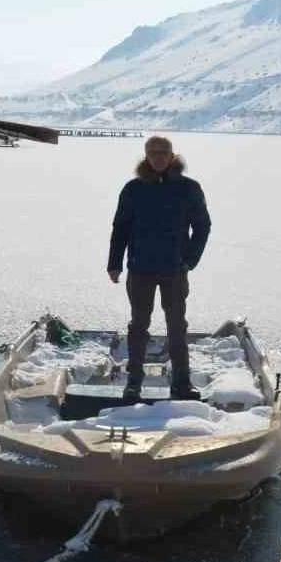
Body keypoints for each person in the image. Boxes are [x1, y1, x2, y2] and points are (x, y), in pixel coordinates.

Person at [107, 136, 211, 401]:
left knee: (177, 326)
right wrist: (114, 263)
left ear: (172, 155)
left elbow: (202, 226)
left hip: (174, 270)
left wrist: (190, 260)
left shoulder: (188, 188)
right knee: (139, 325)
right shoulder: (133, 189)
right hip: (140, 268)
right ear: (146, 155)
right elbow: (121, 228)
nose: (158, 157)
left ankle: (181, 383)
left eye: (163, 152)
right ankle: (133, 382)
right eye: (153, 152)